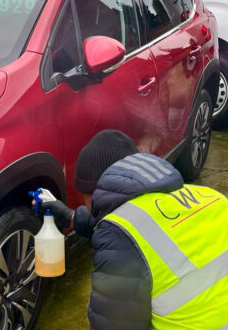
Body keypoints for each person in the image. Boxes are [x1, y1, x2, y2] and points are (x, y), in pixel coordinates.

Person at [40, 130, 228, 330]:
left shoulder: (122, 239)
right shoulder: (210, 197)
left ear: (95, 193)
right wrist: (71, 217)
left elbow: (114, 324)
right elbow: (137, 227)